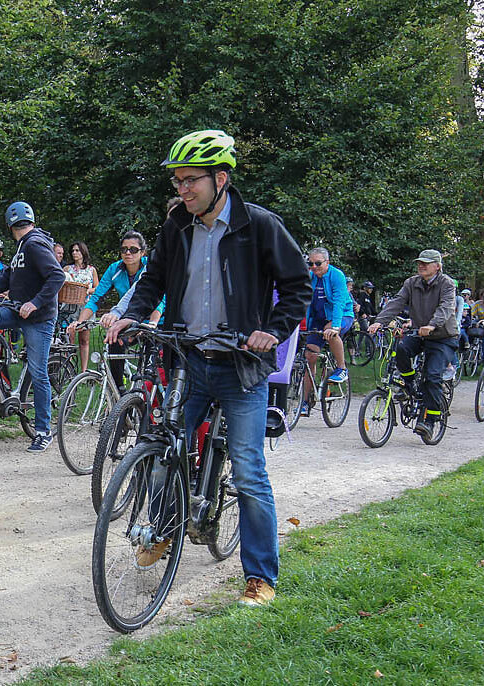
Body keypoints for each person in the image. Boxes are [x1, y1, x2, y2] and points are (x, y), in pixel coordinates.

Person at [107, 129, 311, 607]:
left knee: (249, 472)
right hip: (188, 360)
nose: (182, 190)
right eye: (177, 181)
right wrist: (132, 313)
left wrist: (273, 330)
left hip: (241, 366)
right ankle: (162, 529)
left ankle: (260, 577)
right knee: (163, 449)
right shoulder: (177, 225)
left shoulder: (259, 225)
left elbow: (298, 285)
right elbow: (154, 279)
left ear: (220, 179)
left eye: (190, 180)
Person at [0, 201, 65, 452]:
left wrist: (35, 303)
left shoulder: (34, 244)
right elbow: (8, 278)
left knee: (38, 372)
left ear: (10, 226)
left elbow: (57, 276)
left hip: (39, 318)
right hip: (17, 310)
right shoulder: (23, 245)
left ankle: (43, 431)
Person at [368, 249, 457, 441]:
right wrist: (379, 322)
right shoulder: (411, 283)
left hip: (443, 336)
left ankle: (430, 420)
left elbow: (446, 307)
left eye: (426, 263)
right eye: (419, 262)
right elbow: (397, 303)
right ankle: (409, 384)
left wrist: (432, 325)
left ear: (437, 266)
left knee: (432, 376)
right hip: (419, 333)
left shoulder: (447, 284)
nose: (421, 266)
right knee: (401, 349)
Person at [67, 231, 164, 390]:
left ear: (142, 252)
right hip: (128, 319)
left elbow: (160, 299)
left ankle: (148, 393)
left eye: (133, 249)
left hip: (155, 320)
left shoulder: (151, 267)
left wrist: (152, 323)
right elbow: (96, 298)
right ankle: (119, 390)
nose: (128, 253)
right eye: (124, 249)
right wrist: (80, 321)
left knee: (149, 366)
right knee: (113, 340)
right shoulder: (115, 269)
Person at [301, 248, 354, 415]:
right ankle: (305, 401)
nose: (314, 267)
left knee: (329, 331)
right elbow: (303, 300)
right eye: (310, 264)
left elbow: (339, 302)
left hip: (342, 315)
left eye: (318, 263)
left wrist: (335, 326)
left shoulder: (336, 275)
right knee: (309, 356)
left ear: (327, 262)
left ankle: (342, 368)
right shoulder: (310, 277)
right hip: (318, 318)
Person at [63, 242, 99, 371]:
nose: (74, 253)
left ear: (83, 252)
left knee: (84, 340)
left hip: (86, 307)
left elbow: (97, 288)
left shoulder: (91, 270)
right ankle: (69, 369)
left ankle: (83, 371)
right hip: (70, 307)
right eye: (73, 251)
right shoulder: (67, 269)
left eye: (77, 250)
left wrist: (88, 291)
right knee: (69, 340)